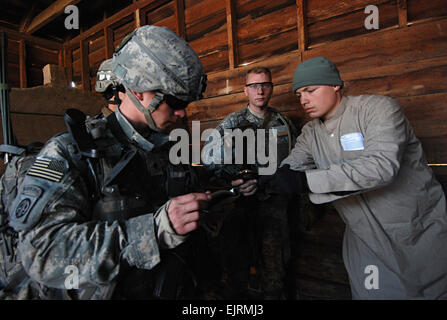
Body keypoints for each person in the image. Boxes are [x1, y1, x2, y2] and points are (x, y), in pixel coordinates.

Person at [2, 25, 254, 300]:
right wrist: (153, 231)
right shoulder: (70, 153)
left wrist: (224, 191)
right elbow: (42, 251)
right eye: (174, 101)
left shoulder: (168, 147)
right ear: (137, 89)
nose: (183, 113)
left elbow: (189, 190)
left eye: (188, 103)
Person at [264, 56, 447, 299]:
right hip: (365, 240)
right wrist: (268, 179)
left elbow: (381, 167)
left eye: (310, 90)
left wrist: (307, 181)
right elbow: (293, 165)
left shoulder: (378, 110)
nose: (303, 100)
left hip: (415, 230)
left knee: (431, 291)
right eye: (299, 95)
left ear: (335, 85)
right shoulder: (311, 132)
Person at [203, 67, 298, 299]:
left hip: (276, 207)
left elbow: (297, 158)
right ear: (246, 91)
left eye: (265, 85)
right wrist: (232, 179)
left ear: (271, 88)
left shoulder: (282, 122)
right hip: (241, 207)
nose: (260, 91)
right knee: (239, 269)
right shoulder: (233, 122)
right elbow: (207, 158)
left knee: (276, 268)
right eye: (254, 86)